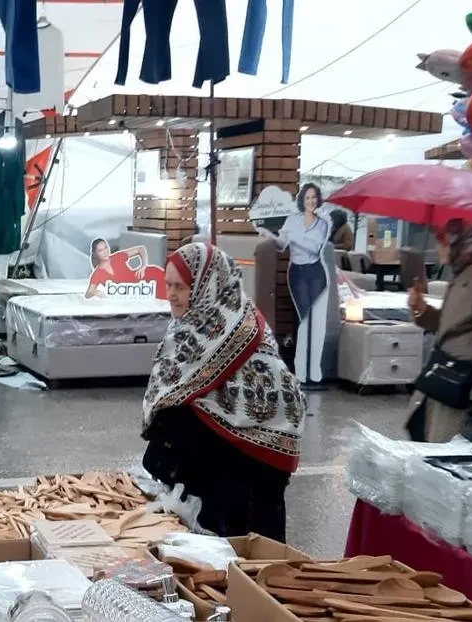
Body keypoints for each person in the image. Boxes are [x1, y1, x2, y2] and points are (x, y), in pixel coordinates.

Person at [141, 242, 305, 539]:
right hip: (215, 477)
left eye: (180, 286)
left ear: (208, 285)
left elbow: (278, 403)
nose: (172, 295)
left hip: (247, 479)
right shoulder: (189, 326)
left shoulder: (237, 325)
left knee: (246, 565)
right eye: (168, 285)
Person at [404, 219, 472, 443]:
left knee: (438, 450)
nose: (437, 248)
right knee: (421, 435)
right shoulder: (462, 273)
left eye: (442, 242)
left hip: (457, 383)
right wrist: (421, 309)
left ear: (458, 242)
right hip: (441, 378)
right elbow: (448, 323)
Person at [259, 183, 336, 385]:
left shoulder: (323, 223)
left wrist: (294, 236)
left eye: (314, 197)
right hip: (298, 273)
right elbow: (282, 245)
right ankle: (301, 370)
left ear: (318, 200)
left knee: (317, 322)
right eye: (307, 197)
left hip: (316, 272)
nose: (311, 201)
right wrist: (269, 234)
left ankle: (315, 371)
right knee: (304, 321)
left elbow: (314, 248)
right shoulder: (292, 220)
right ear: (302, 200)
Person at [85, 238, 166, 299]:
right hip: (138, 291)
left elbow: (140, 249)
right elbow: (88, 294)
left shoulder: (117, 257)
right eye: (100, 250)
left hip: (147, 278)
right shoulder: (97, 273)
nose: (105, 251)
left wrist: (144, 265)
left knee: (172, 292)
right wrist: (96, 292)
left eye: (106, 248)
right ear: (95, 254)